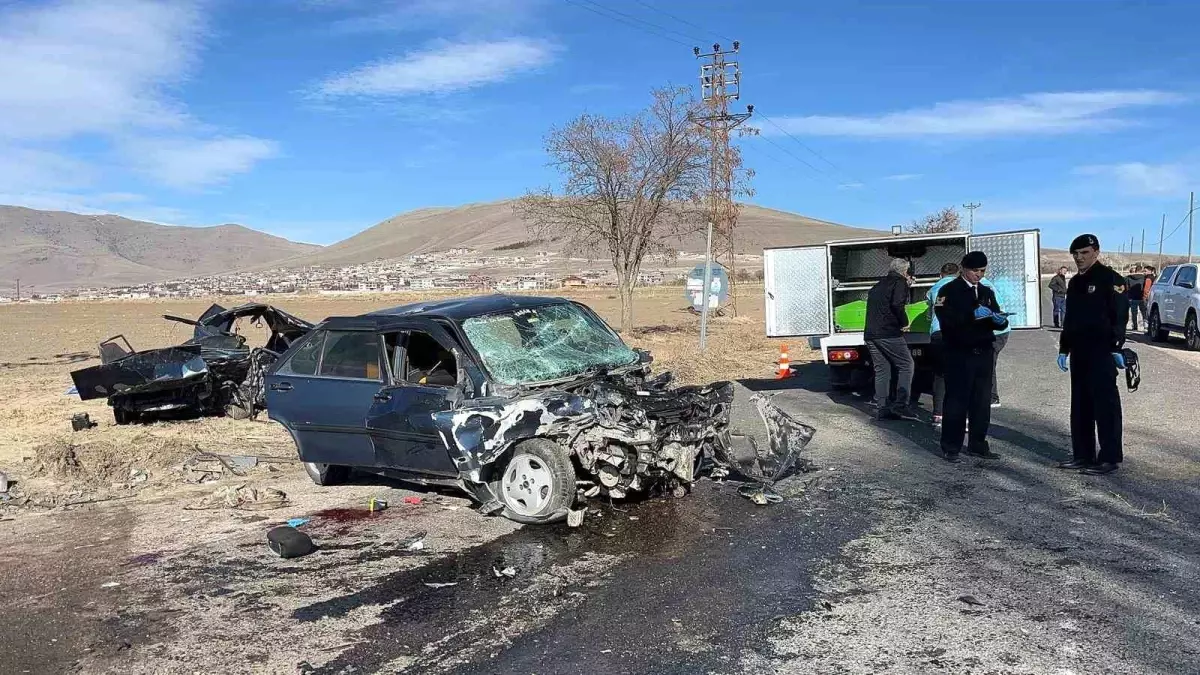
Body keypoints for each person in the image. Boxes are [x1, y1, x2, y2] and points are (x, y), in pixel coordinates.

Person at [1057, 234, 1129, 475]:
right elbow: (1070, 319)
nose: (1079, 258)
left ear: (1096, 252)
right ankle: (1083, 455)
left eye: (1084, 253)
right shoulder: (1075, 283)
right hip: (1080, 351)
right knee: (1080, 406)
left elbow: (1119, 316)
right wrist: (1064, 348)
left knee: (1105, 406)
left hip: (1102, 350)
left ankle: (1109, 457)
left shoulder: (1111, 279)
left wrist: (1116, 347)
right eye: (1075, 254)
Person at [933, 251, 1009, 462]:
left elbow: (995, 315)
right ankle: (951, 446)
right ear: (964, 269)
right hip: (959, 353)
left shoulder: (985, 291)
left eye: (982, 271)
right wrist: (971, 316)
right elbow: (945, 318)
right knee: (957, 401)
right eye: (975, 271)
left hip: (983, 351)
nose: (979, 275)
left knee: (981, 402)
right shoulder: (949, 290)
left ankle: (978, 444)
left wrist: (999, 320)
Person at [864, 258, 919, 421]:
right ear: (905, 271)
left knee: (882, 369)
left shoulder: (878, 285)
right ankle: (901, 405)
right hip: (888, 333)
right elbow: (897, 304)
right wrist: (904, 322)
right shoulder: (900, 282)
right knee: (906, 365)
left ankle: (882, 407)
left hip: (870, 334)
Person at [925, 262, 959, 429]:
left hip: (938, 334)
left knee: (940, 375)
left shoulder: (934, 289)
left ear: (941, 274)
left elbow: (931, 311)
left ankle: (938, 414)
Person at [980, 276, 1011, 408]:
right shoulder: (984, 283)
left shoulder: (981, 287)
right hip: (999, 332)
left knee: (988, 364)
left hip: (995, 333)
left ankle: (993, 397)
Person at [1125, 265, 1146, 332]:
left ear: (1135, 270)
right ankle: (1145, 325)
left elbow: (1126, 287)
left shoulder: (1128, 277)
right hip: (1141, 297)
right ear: (1141, 270)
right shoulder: (1144, 278)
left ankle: (1135, 325)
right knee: (1144, 312)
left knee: (1134, 313)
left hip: (1132, 297)